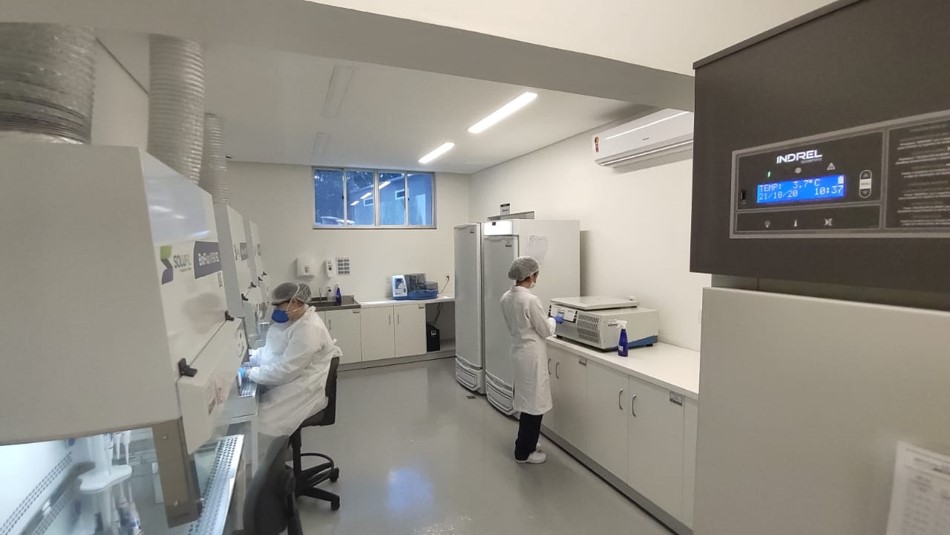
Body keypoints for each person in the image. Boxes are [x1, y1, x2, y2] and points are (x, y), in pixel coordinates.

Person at [242, 282, 341, 437]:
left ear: (294, 302)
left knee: (261, 423)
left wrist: (250, 373)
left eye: (279, 307)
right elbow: (274, 350)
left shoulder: (308, 329)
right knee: (256, 415)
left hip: (302, 389)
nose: (277, 311)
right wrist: (252, 357)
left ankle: (275, 451)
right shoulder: (294, 321)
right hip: (292, 381)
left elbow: (287, 371)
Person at [500, 256, 562, 464]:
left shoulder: (506, 297)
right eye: (536, 274)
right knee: (534, 406)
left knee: (527, 402)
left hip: (519, 352)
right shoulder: (530, 300)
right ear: (531, 275)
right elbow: (545, 330)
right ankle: (523, 452)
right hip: (532, 356)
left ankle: (528, 442)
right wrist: (553, 320)